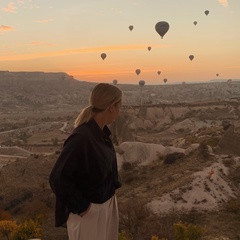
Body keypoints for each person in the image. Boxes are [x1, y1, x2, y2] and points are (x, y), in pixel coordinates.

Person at [49, 83, 122, 240]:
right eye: (119, 106)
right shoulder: (81, 138)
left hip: (107, 205)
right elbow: (58, 178)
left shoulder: (101, 134)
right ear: (111, 107)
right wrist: (82, 207)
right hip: (90, 211)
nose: (119, 112)